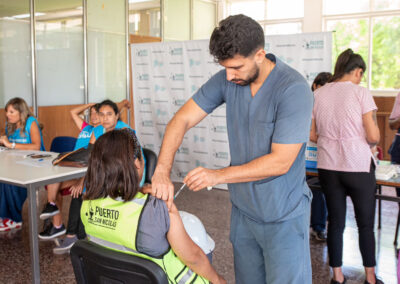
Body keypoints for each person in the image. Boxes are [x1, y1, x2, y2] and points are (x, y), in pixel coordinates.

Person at [149, 14, 313, 284]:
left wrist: (217, 175)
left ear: (260, 54)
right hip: (244, 214)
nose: (229, 75)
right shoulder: (228, 79)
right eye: (225, 67)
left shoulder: (292, 89)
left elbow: (280, 162)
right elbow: (182, 119)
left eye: (236, 67)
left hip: (283, 216)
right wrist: (162, 171)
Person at [81, 129, 225, 284]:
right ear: (137, 164)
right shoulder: (155, 210)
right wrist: (218, 280)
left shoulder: (87, 204)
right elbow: (194, 258)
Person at [310, 49, 382, 284]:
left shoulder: (319, 94)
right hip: (358, 166)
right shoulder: (361, 93)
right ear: (358, 71)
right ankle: (370, 278)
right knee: (365, 225)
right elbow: (372, 136)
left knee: (336, 223)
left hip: (329, 166)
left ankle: (337, 277)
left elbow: (312, 135)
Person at [40, 100, 130, 243]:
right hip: (78, 170)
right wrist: (90, 105)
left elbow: (112, 112)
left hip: (89, 172)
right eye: (93, 114)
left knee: (79, 192)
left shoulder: (109, 130)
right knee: (53, 180)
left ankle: (73, 234)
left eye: (98, 113)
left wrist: (123, 103)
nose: (96, 116)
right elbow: (74, 113)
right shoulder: (87, 128)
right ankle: (55, 217)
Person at [0, 97, 45, 231]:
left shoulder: (31, 122)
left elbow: (36, 147)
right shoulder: (10, 125)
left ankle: (15, 219)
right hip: (17, 162)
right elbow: (10, 148)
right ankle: (5, 216)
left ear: (21, 112)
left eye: (11, 112)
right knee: (3, 179)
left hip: (35, 163)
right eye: (7, 111)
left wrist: (11, 144)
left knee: (10, 182)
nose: (8, 115)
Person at [309, 72, 332, 242]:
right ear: (315, 86)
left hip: (325, 155)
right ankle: (318, 226)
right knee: (317, 188)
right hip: (307, 156)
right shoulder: (307, 102)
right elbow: (311, 134)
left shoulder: (331, 104)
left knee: (325, 189)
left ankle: (321, 225)